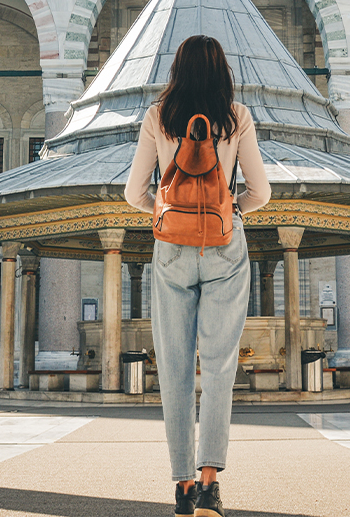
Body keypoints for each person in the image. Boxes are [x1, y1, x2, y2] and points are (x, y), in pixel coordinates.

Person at [126, 34, 270, 517]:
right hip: (225, 245)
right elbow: (262, 192)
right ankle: (211, 484)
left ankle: (182, 485)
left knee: (173, 367)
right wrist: (233, 214)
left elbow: (133, 193)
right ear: (222, 70)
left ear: (177, 69)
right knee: (220, 365)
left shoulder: (158, 117)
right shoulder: (236, 117)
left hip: (170, 246)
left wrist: (162, 214)